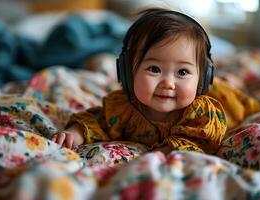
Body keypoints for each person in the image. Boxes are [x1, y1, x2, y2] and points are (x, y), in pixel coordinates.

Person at [52, 8, 230, 154]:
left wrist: (170, 149)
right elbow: (96, 122)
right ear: (128, 73)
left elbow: (206, 140)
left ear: (204, 78)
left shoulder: (201, 114)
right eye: (154, 69)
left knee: (230, 91)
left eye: (182, 72)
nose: (168, 83)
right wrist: (74, 134)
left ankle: (231, 80)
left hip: (227, 98)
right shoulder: (122, 108)